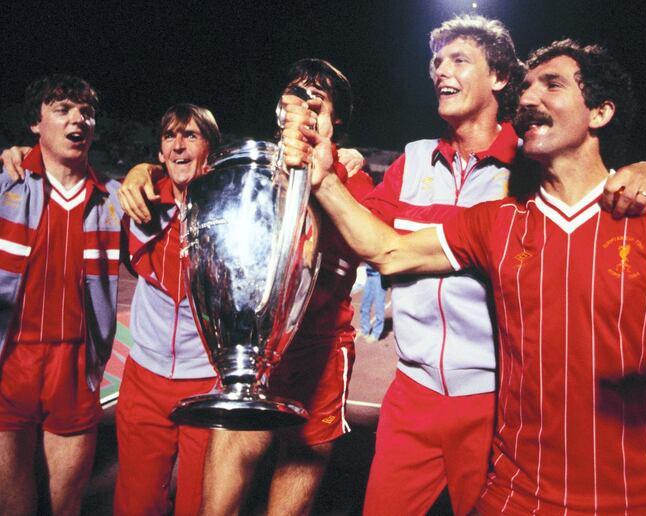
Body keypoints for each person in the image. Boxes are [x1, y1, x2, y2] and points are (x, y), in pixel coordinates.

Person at [284, 39, 646, 514]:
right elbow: (389, 251)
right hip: (512, 497)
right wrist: (325, 176)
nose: (529, 95)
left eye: (551, 84)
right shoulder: (500, 222)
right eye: (527, 85)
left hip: (634, 501)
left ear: (600, 112)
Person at [114, 58, 374, 515]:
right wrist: (143, 169)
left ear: (338, 124)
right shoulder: (255, 176)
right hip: (253, 354)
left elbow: (378, 247)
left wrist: (331, 173)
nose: (303, 112)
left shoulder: (358, 184)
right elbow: (187, 179)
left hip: (319, 352)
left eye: (317, 106)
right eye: (294, 101)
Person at [0, 75, 122, 515]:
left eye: (86, 112)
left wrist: (147, 169)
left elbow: (178, 195)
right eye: (63, 110)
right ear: (35, 124)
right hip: (10, 362)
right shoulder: (5, 183)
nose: (78, 120)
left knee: (64, 506)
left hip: (75, 365)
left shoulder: (115, 198)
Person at [113, 104, 221, 515]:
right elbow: (67, 174)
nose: (178, 145)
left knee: (200, 502)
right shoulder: (136, 200)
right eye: (169, 137)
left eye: (191, 135)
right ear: (158, 152)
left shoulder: (231, 208)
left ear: (210, 147)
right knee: (136, 503)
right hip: (144, 377)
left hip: (207, 381)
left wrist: (346, 155)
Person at [359, 263, 386, 342]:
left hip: (379, 276)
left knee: (379, 306)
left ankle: (376, 334)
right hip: (369, 273)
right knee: (364, 305)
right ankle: (364, 330)